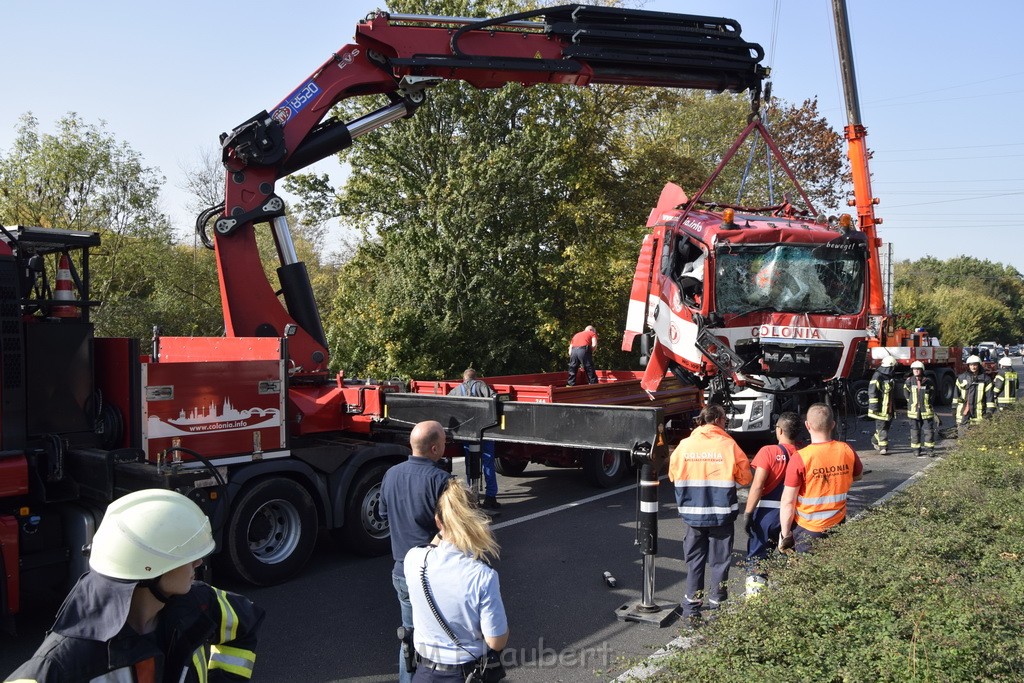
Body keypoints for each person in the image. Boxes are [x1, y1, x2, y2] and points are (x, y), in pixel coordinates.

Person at [4, 489, 263, 683]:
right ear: (148, 568)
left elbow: (245, 622)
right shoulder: (66, 659)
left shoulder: (199, 602)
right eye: (185, 555)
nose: (198, 562)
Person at [404, 478, 508, 681]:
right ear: (476, 522)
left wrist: (443, 527)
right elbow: (496, 642)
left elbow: (432, 546)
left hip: (423, 673)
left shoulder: (413, 560)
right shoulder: (482, 576)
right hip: (464, 674)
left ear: (437, 522)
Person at [381, 420, 452, 683]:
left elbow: (384, 514)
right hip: (434, 573)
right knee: (441, 637)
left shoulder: (391, 474)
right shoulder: (442, 481)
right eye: (444, 442)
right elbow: (455, 530)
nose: (445, 446)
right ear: (434, 448)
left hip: (401, 571)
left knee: (409, 635)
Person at [668, 404, 752, 626]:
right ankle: (717, 609)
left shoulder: (684, 445)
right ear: (717, 420)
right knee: (719, 562)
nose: (726, 423)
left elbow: (672, 474)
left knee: (694, 562)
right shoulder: (728, 445)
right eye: (725, 420)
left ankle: (691, 609)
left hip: (692, 516)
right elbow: (745, 478)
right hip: (720, 515)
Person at [778, 404, 863, 553]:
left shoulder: (801, 457)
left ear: (807, 425)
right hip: (838, 524)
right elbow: (858, 475)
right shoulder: (846, 450)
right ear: (833, 425)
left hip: (808, 530)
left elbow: (787, 502)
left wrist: (785, 535)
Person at [742, 411, 800, 596]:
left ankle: (755, 603)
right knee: (790, 560)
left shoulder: (768, 451)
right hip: (794, 516)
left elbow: (757, 485)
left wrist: (748, 513)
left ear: (779, 430)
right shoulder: (803, 454)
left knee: (757, 560)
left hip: (766, 516)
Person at [448, 368, 500, 510]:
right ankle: (490, 497)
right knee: (488, 462)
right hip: (485, 431)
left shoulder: (457, 390)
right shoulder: (482, 385)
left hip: (467, 433)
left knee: (470, 462)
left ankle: (472, 493)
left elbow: (447, 404)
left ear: (463, 378)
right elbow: (495, 399)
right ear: (475, 377)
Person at [953, 355, 995, 438]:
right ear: (968, 366)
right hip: (963, 414)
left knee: (979, 438)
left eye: (975, 365)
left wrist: (989, 412)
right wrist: (954, 408)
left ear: (979, 365)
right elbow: (956, 396)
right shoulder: (961, 378)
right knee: (963, 439)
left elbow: (990, 398)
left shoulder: (986, 379)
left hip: (979, 414)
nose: (973, 367)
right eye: (971, 365)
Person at [904, 360, 937, 458]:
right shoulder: (909, 381)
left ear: (922, 370)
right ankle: (916, 450)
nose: (916, 371)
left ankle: (929, 450)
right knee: (915, 431)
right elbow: (906, 393)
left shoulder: (928, 381)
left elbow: (932, 394)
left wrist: (928, 404)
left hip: (926, 411)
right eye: (914, 369)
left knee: (928, 431)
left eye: (918, 369)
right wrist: (911, 403)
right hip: (914, 412)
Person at [867, 356, 898, 455]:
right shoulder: (877, 376)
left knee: (886, 427)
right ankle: (883, 447)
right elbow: (872, 392)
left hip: (889, 409)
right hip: (879, 409)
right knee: (882, 428)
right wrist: (874, 407)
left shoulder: (889, 377)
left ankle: (874, 440)